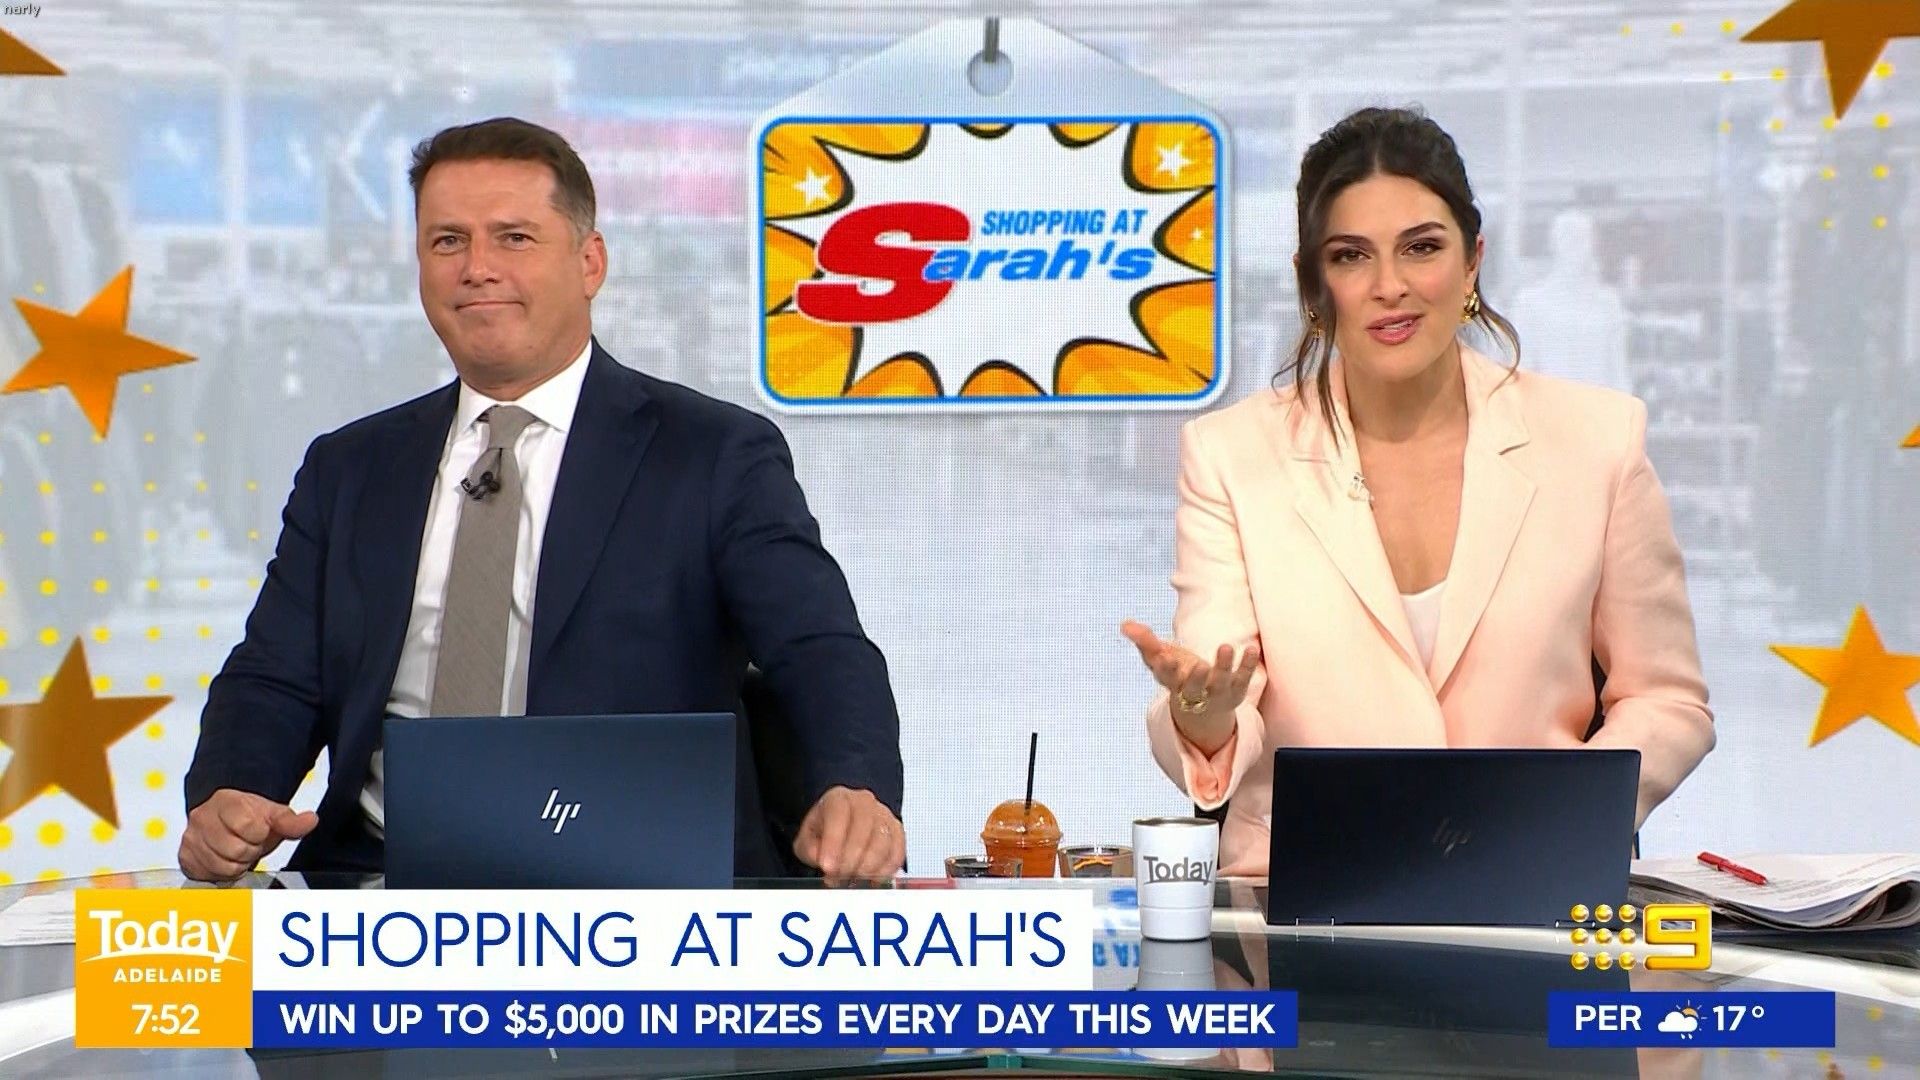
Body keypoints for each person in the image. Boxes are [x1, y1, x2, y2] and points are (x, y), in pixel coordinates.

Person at [179, 117, 904, 883]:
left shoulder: (714, 454)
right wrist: (231, 791)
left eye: (514, 238)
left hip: (637, 882)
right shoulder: (349, 468)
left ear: (590, 262)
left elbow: (816, 647)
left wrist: (853, 786)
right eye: (448, 241)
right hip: (379, 881)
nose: (477, 268)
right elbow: (275, 675)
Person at [1122, 107, 1713, 877]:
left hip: (1530, 887)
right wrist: (1202, 719)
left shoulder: (1598, 439)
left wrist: (1562, 817)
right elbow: (1215, 688)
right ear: (1312, 282)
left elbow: (1667, 700)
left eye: (1422, 248)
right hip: (1301, 896)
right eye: (1350, 256)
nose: (1390, 287)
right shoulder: (1230, 455)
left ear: (1472, 262)